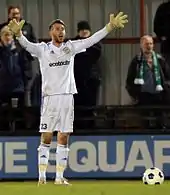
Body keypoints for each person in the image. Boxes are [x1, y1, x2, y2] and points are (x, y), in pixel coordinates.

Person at [8, 12, 128, 185]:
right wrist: (18, 34)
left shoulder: (70, 47)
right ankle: (42, 177)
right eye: (57, 29)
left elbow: (91, 40)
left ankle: (58, 177)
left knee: (64, 137)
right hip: (50, 98)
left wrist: (109, 27)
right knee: (47, 137)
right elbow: (27, 45)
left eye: (63, 29)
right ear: (51, 32)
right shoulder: (43, 49)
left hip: (67, 97)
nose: (61, 31)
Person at [126, 35, 170, 128]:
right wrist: (135, 95)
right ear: (141, 45)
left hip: (159, 97)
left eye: (150, 43)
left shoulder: (160, 60)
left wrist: (166, 92)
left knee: (161, 122)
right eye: (146, 44)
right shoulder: (136, 61)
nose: (149, 46)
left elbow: (168, 77)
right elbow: (129, 81)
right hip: (144, 97)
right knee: (144, 123)